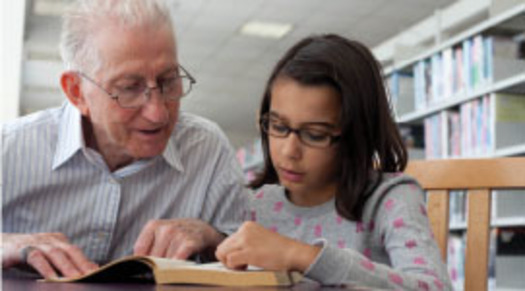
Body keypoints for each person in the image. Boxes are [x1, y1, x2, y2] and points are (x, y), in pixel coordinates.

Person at [2, 0, 247, 279]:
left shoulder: (207, 150)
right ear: (76, 92)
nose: (158, 113)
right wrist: (5, 244)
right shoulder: (9, 149)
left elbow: (254, 264)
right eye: (129, 88)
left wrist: (212, 238)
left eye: (168, 81)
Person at [216, 34, 452, 290]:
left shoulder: (390, 198)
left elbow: (435, 287)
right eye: (278, 126)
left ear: (357, 133)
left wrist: (302, 256)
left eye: (315, 135)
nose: (289, 150)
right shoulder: (257, 205)